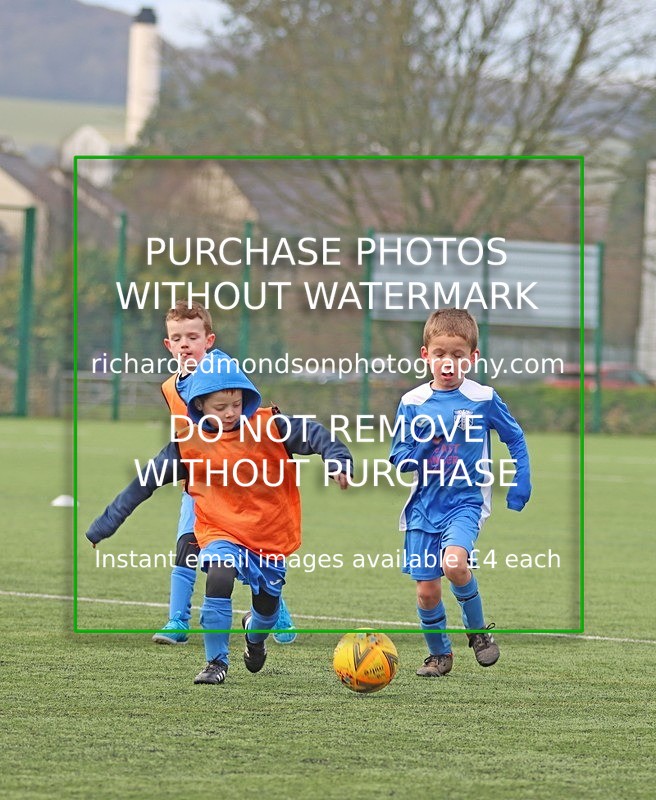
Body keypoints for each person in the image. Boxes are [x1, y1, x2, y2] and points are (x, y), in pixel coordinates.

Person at [86, 350, 353, 685]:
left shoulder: (270, 426)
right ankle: (216, 662)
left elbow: (316, 435)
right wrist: (105, 524)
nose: (230, 413)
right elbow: (144, 483)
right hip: (219, 529)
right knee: (218, 575)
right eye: (220, 407)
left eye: (237, 404)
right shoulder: (188, 445)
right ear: (199, 405)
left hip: (269, 534)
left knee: (266, 613)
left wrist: (338, 460)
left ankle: (254, 639)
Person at [389, 308, 531, 677]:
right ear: (426, 356)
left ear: (472, 358)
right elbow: (399, 459)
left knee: (455, 564)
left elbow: (514, 436)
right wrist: (423, 446)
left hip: (465, 502)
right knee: (426, 593)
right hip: (423, 507)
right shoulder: (412, 402)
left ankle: (478, 633)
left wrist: (522, 478)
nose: (448, 363)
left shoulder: (483, 398)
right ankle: (439, 656)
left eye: (457, 355)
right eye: (440, 354)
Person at [154, 301, 297, 645]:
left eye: (193, 336)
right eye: (178, 338)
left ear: (209, 340)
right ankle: (177, 620)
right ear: (168, 345)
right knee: (187, 545)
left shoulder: (224, 370)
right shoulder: (170, 387)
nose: (185, 344)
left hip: (241, 488)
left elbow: (250, 416)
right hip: (200, 485)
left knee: (253, 551)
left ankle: (274, 608)